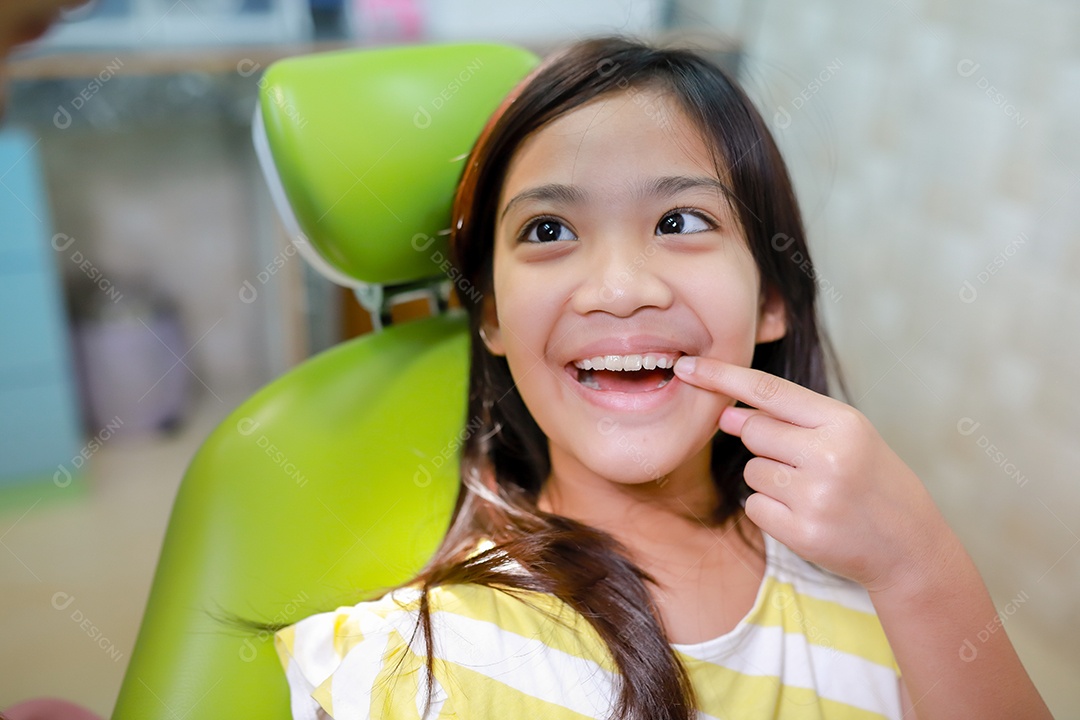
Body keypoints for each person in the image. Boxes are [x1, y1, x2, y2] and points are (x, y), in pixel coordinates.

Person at [274, 36, 1051, 719]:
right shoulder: (413, 667)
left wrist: (920, 564)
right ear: (494, 316)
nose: (618, 289)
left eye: (680, 221)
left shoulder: (892, 616)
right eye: (549, 231)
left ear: (772, 297)